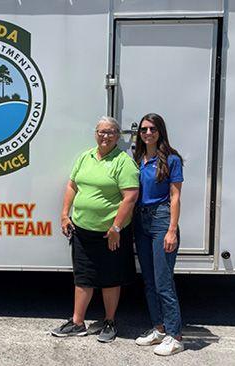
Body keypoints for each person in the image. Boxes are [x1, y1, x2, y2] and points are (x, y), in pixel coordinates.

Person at [51, 116, 139, 343]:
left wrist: (116, 227)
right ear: (95, 134)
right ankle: (77, 322)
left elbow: (130, 197)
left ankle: (109, 321)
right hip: (81, 228)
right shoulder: (85, 157)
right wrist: (64, 214)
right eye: (101, 131)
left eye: (110, 132)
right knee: (83, 277)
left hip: (110, 232)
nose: (105, 136)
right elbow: (72, 185)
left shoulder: (123, 161)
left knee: (110, 278)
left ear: (118, 136)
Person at [132, 113, 185, 356]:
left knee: (164, 282)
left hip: (161, 219)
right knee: (149, 281)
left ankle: (175, 336)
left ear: (160, 131)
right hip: (140, 220)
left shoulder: (171, 160)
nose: (148, 133)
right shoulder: (139, 158)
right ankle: (159, 328)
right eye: (144, 129)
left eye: (152, 128)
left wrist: (171, 230)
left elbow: (175, 197)